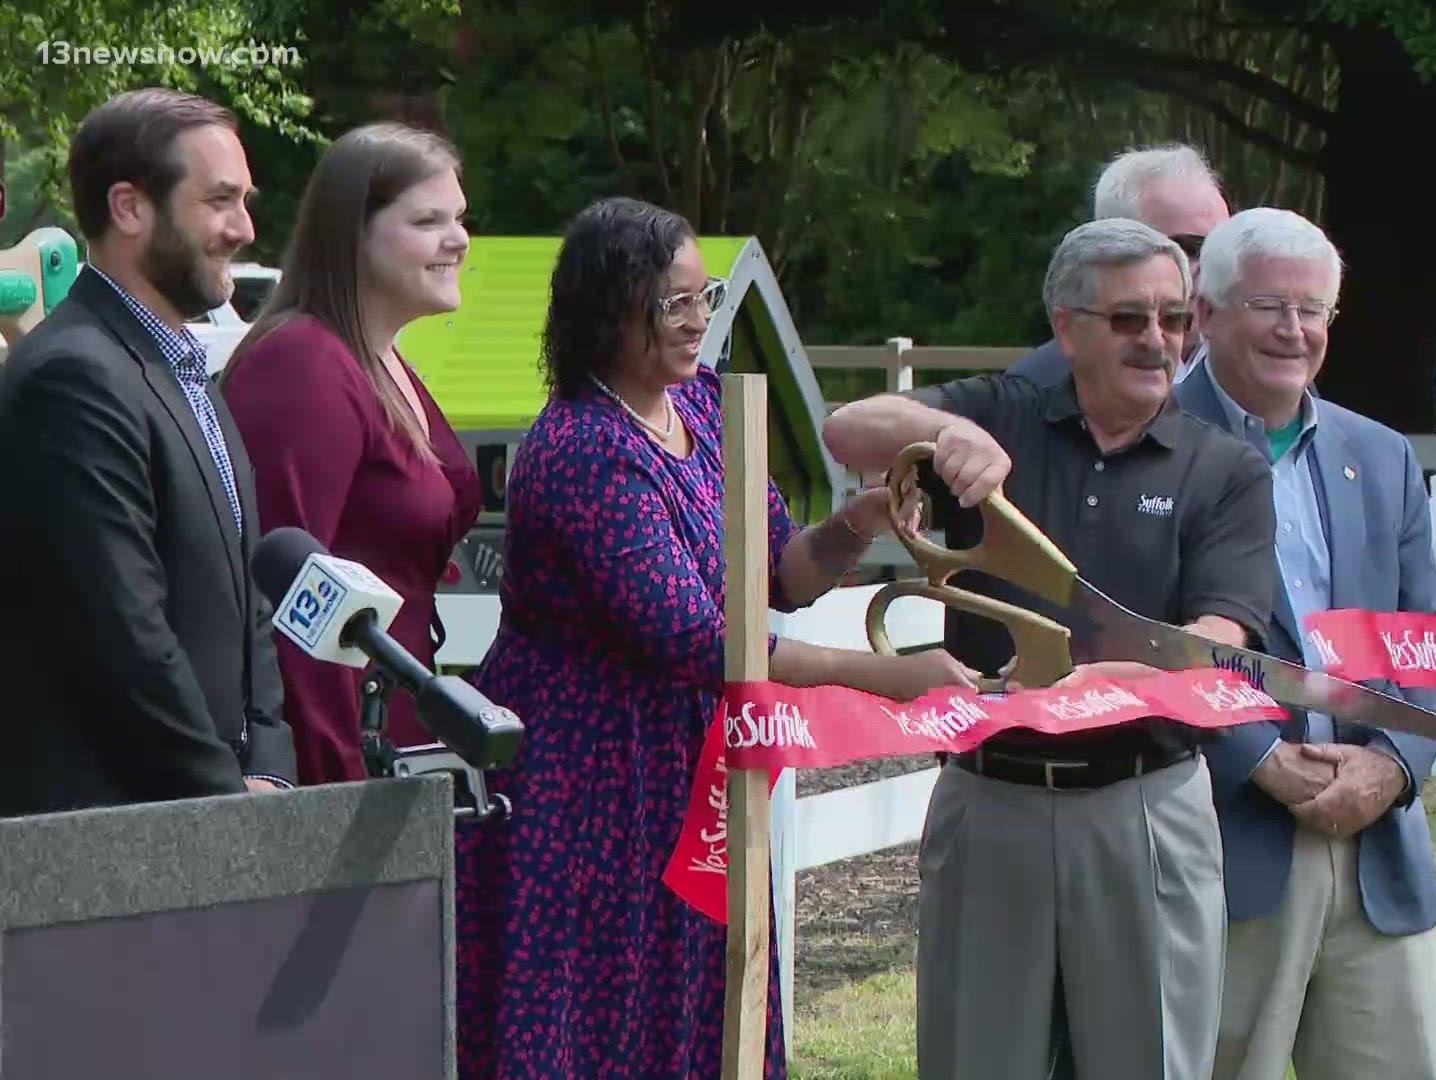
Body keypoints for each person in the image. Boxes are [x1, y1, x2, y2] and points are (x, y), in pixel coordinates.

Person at [452, 196, 979, 1079]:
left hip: (689, 765)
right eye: (673, 303)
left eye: (708, 298)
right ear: (606, 310)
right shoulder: (582, 448)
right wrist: (892, 678)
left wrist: (858, 522)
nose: (699, 321)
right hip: (588, 779)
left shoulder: (703, 412)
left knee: (705, 998)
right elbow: (699, 640)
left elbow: (777, 574)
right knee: (599, 1012)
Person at [822, 218, 1279, 1080]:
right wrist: (939, 431)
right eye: (1129, 319)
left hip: (1144, 802)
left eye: (1175, 319)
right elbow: (848, 430)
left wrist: (1110, 685)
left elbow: (1223, 637)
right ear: (1067, 328)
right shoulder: (1003, 414)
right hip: (990, 799)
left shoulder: (1226, 469)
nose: (1159, 341)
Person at [1173, 207, 1436, 1079]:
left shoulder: (1381, 454)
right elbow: (1145, 645)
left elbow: (1430, 639)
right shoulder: (1147, 447)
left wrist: (1394, 764)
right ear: (1206, 312)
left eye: (1313, 310)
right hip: (1225, 841)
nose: (1293, 330)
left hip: (1376, 849)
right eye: (1268, 305)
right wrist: (1263, 761)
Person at [0, 88, 297, 815]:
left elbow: (246, 596)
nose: (244, 228)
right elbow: (123, 632)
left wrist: (271, 767)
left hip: (209, 819)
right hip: (118, 837)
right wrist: (227, 799)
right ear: (130, 207)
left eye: (245, 200)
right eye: (221, 200)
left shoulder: (181, 365)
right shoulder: (72, 378)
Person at [220, 122, 482, 784]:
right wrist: (337, 789)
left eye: (460, 218)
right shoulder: (302, 365)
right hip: (337, 773)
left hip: (398, 756)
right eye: (429, 221)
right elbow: (289, 609)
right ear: (352, 236)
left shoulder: (381, 358)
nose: (459, 240)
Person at [1006, 143, 1230, 386]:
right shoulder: (1036, 390)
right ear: (1115, 246)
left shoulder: (1253, 367)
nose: (1213, 266)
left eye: (1223, 247)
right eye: (1190, 248)